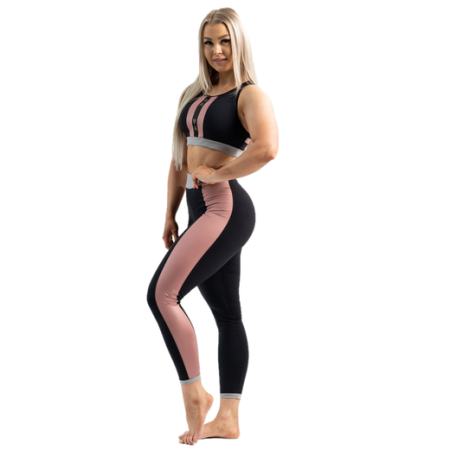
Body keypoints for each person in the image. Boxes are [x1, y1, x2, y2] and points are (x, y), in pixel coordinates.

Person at [146, 7, 279, 446]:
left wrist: (219, 174)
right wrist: (170, 213)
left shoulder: (250, 94)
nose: (217, 50)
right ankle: (228, 420)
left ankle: (195, 395)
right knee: (227, 314)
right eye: (209, 42)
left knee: (162, 296)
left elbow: (267, 148)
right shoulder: (193, 93)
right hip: (196, 208)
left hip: (225, 210)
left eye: (224, 41)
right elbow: (178, 157)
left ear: (238, 43)